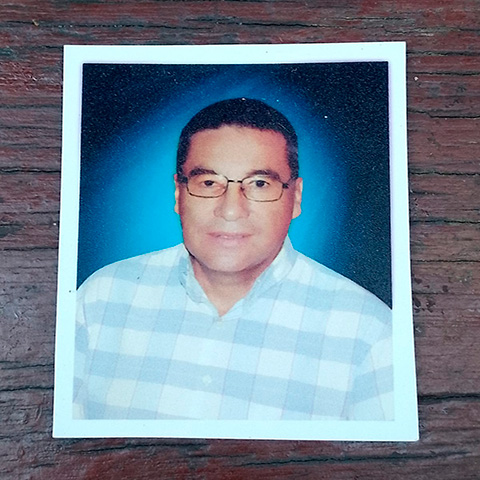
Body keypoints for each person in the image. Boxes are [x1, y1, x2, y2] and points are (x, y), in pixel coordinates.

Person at [74, 98, 393, 421]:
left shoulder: (370, 333)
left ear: (296, 198)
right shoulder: (101, 298)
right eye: (208, 183)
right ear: (178, 193)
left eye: (259, 184)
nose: (230, 210)